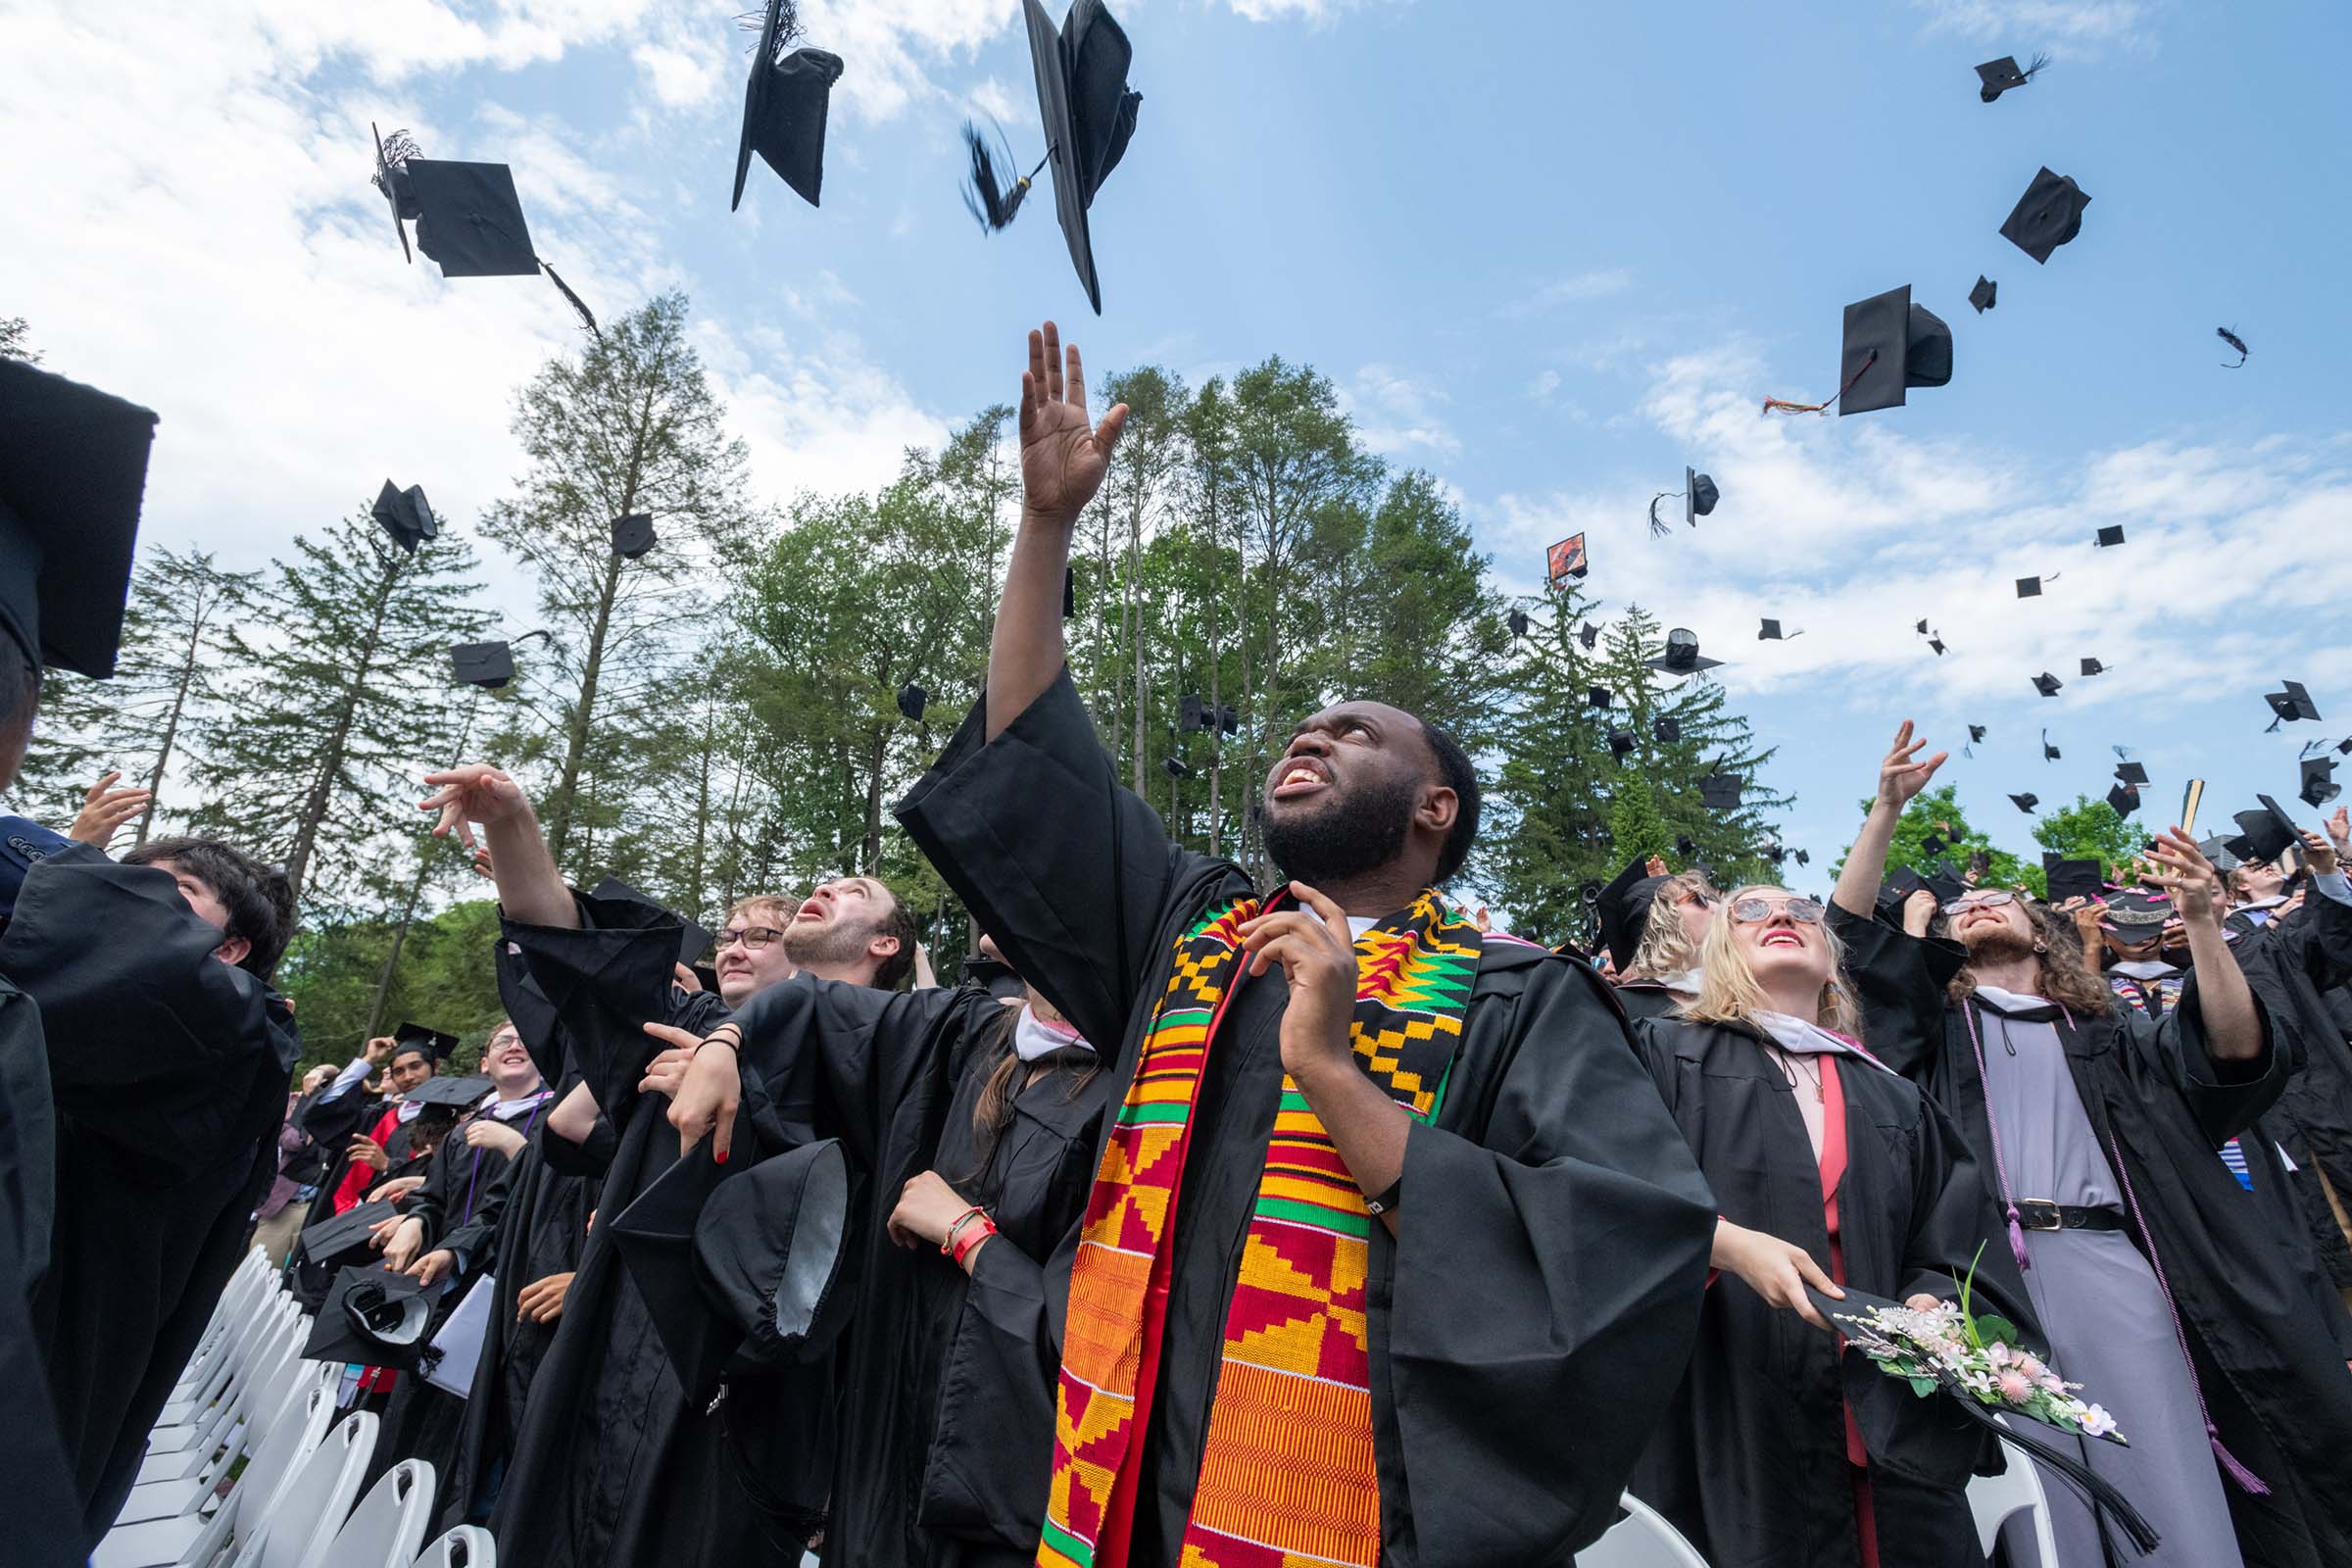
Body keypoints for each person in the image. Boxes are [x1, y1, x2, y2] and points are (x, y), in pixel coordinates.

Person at [859, 321, 1718, 1567]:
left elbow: (1614, 1263)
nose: (1309, 737)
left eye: (1357, 731)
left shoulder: (1518, 998)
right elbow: (1040, 763)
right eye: (1303, 725)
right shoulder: (1194, 934)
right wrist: (1044, 531)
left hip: (1333, 1520)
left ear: (1437, 809)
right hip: (1107, 1495)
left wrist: (1331, 1072)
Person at [1832, 723, 2352, 1568]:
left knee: (2162, 1462)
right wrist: (1885, 810)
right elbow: (1854, 946)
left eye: (2000, 898)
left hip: (2114, 1271)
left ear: (2044, 934)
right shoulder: (1932, 1036)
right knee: (2040, 1494)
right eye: (1964, 906)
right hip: (1986, 1277)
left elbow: (2230, 1054)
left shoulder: (2109, 1034)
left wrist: (2203, 926)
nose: (1979, 902)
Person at [416, 758, 907, 1567]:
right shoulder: (691, 1020)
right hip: (609, 1347)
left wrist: (738, 1102)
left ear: (886, 943)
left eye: (856, 891)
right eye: (734, 934)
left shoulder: (902, 1054)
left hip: (737, 1388)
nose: (828, 887)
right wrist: (512, 821)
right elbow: (580, 949)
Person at [653, 948, 1116, 1568]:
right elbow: (814, 1003)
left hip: (1008, 1487)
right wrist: (724, 1045)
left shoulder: (1146, 1090)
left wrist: (963, 1234)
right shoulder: (969, 1031)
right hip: (889, 1451)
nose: (985, 939)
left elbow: (1100, 1341)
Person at [1625, 867, 2030, 1568]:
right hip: (1722, 1402)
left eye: (1802, 909)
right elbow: (1602, 1194)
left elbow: (1957, 1242)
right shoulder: (1660, 1056)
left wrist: (1931, 1301)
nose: (1781, 915)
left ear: (1834, 963)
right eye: (1750, 909)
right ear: (1718, 948)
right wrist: (1718, 1244)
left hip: (1882, 1412)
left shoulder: (1894, 1098)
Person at [0, 832, 299, 1543]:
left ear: (227, 951)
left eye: (168, 898)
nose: (119, 907)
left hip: (56, 1350)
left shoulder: (230, 1026)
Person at [1598, 856, 1716, 1019]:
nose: (1715, 907)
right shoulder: (1620, 1013)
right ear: (1666, 919)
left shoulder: (1733, 996)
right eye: (1699, 899)